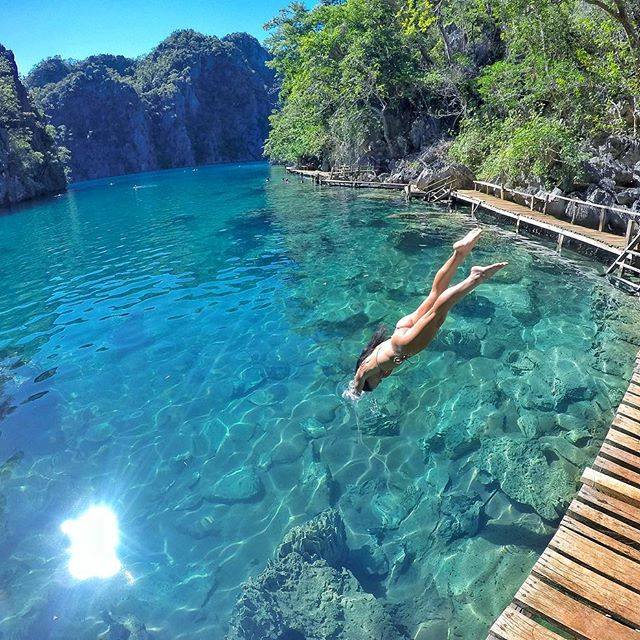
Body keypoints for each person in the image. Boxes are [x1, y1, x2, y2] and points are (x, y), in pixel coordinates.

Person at [352, 229, 507, 394]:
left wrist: (356, 391)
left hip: (404, 345)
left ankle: (475, 278)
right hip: (401, 332)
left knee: (438, 314)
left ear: (368, 380)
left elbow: (360, 375)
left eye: (374, 384)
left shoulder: (367, 369)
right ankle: (459, 254)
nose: (379, 383)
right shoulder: (374, 357)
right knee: (435, 294)